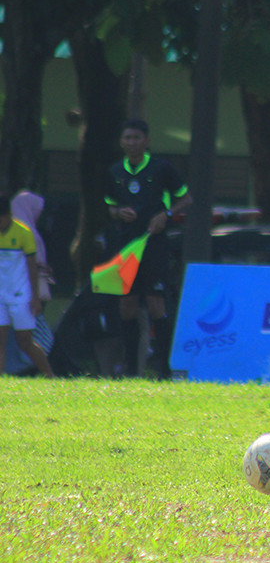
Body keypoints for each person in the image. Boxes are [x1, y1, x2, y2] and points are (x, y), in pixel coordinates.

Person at [105, 119, 192, 378]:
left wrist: (165, 214)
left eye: (137, 138)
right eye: (128, 138)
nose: (132, 143)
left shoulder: (161, 168)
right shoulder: (114, 172)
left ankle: (164, 370)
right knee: (127, 306)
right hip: (126, 246)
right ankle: (132, 370)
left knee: (156, 304)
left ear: (147, 141)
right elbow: (108, 206)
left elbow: (186, 198)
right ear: (122, 142)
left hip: (154, 243)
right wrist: (118, 212)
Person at [0, 194, 55, 377]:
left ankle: (49, 375)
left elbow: (32, 268)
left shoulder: (23, 232)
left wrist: (35, 298)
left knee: (26, 342)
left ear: (8, 214)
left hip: (20, 297)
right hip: (1, 297)